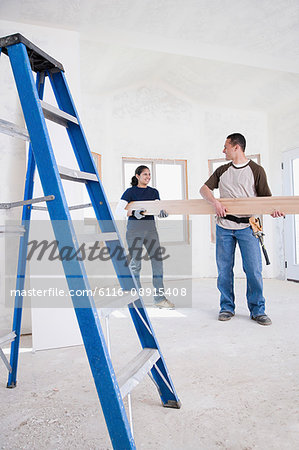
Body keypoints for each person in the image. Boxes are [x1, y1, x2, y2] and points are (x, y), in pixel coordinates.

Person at [200, 133, 284, 326]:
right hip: (224, 227)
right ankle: (227, 307)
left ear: (236, 147)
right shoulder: (221, 171)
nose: (223, 150)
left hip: (248, 226)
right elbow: (203, 189)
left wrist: (274, 210)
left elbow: (266, 200)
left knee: (253, 270)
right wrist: (215, 202)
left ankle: (258, 310)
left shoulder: (256, 170)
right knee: (224, 270)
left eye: (226, 146)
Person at [116, 165, 175, 309]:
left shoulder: (154, 192)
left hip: (151, 231)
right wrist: (132, 213)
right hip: (134, 232)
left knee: (157, 263)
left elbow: (156, 209)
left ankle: (159, 299)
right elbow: (118, 210)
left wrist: (162, 213)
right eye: (145, 174)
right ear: (137, 176)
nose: (148, 177)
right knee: (135, 265)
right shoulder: (130, 192)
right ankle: (136, 299)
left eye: (149, 175)